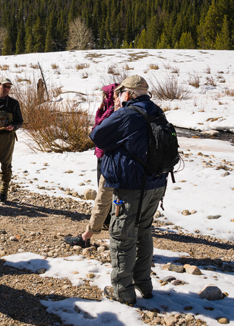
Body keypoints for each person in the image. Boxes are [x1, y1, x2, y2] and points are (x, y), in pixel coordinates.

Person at [90, 75, 168, 306]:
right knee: (143, 231)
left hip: (132, 186)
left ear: (128, 93)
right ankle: (144, 284)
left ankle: (123, 291)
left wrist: (117, 110)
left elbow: (97, 136)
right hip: (156, 183)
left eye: (122, 92)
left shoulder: (127, 114)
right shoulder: (157, 110)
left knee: (122, 236)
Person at [65, 83, 119, 247]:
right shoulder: (108, 109)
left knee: (104, 193)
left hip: (108, 157)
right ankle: (107, 221)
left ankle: (97, 229)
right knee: (103, 190)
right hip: (103, 154)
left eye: (106, 94)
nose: (104, 96)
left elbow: (97, 131)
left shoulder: (114, 112)